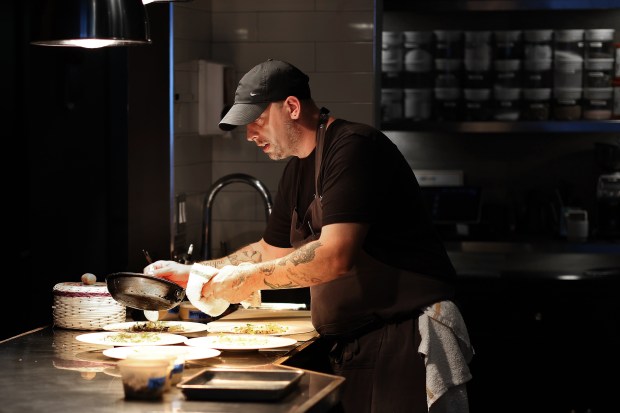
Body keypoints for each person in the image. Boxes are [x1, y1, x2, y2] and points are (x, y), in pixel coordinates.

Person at [145, 59, 474, 412]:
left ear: (291, 107)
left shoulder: (354, 148)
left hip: (404, 336)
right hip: (355, 340)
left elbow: (335, 257)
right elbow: (269, 251)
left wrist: (248, 280)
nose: (250, 134)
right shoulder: (297, 169)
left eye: (257, 120)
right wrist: (197, 272)